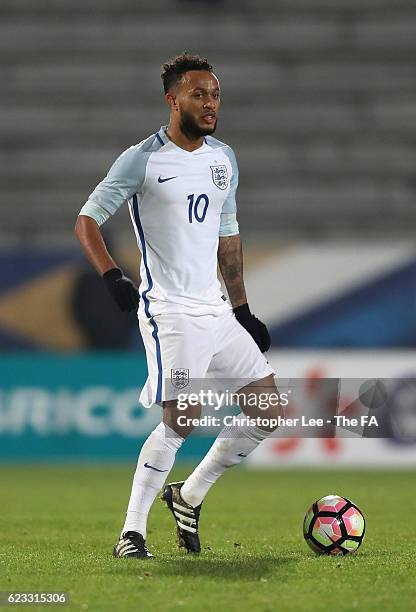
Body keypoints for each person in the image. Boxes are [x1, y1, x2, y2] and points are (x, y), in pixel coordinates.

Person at [75, 53, 280, 559]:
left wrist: (243, 309)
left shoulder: (223, 159)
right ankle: (132, 532)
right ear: (173, 99)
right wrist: (111, 275)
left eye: (215, 95)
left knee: (268, 409)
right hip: (170, 311)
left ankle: (188, 496)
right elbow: (86, 220)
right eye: (198, 95)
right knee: (183, 417)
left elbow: (227, 238)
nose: (209, 104)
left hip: (215, 309)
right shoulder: (142, 158)